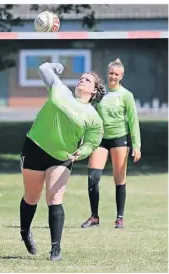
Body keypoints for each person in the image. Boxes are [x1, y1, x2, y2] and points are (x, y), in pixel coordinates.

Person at [19, 61, 106, 261]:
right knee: (31, 197)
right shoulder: (60, 90)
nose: (81, 80)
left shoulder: (93, 117)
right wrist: (54, 65)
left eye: (87, 79)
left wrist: (81, 152)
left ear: (94, 91)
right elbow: (42, 69)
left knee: (55, 199)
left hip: (62, 157)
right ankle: (24, 232)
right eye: (81, 77)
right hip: (35, 147)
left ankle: (55, 250)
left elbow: (92, 142)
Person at [81, 58, 141, 229]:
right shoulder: (100, 93)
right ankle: (94, 217)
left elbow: (133, 121)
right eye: (111, 73)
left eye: (116, 74)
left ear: (121, 76)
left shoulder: (126, 95)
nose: (113, 76)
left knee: (119, 179)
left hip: (119, 138)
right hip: (100, 138)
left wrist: (136, 146)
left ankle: (119, 218)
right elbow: (87, 111)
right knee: (93, 177)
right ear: (107, 74)